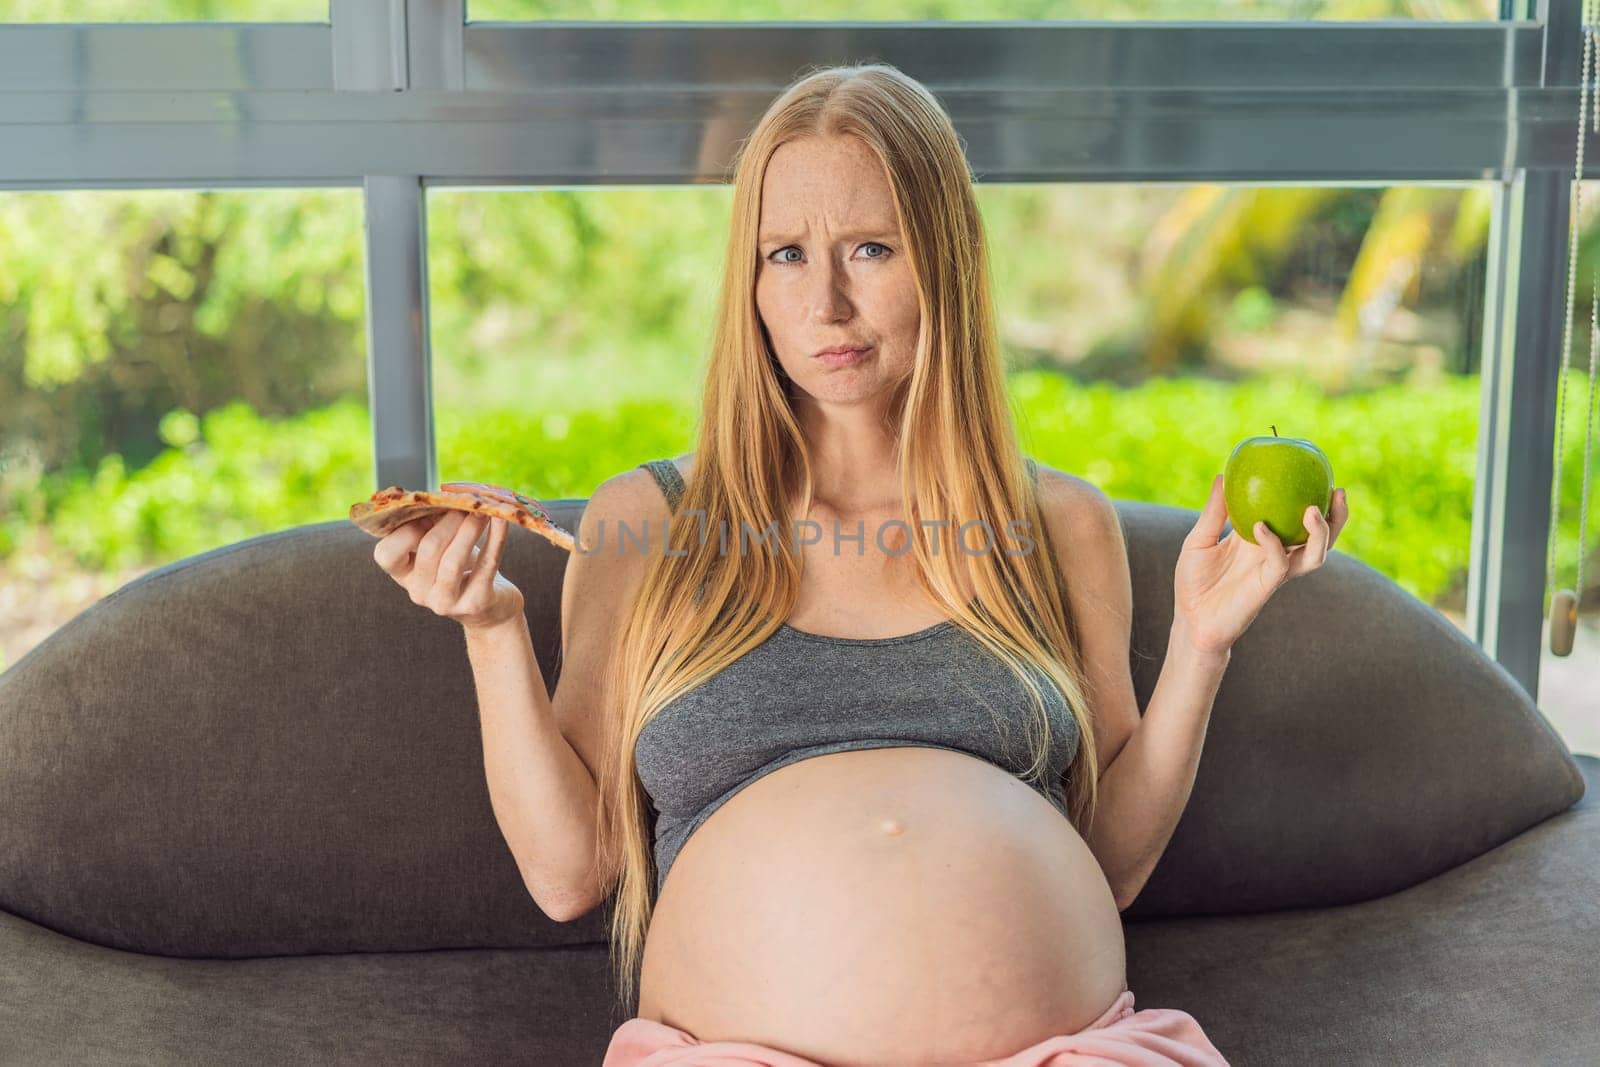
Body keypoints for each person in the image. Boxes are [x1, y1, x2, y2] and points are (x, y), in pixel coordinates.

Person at [375, 62, 1347, 1067]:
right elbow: (569, 872)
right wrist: (490, 631)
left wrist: (1199, 642)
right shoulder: (651, 522)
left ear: (946, 261)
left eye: (870, 249)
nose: (825, 302)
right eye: (785, 254)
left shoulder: (1058, 522)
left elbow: (1112, 864)